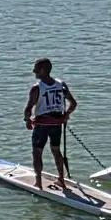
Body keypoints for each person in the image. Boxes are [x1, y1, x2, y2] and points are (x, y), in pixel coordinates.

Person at [24, 58, 78, 190]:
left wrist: (27, 120)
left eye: (36, 69)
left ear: (42, 70)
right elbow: (73, 103)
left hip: (42, 125)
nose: (33, 71)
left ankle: (38, 182)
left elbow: (28, 108)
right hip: (56, 124)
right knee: (56, 150)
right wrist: (66, 115)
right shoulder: (61, 84)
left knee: (37, 152)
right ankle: (61, 179)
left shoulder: (37, 87)